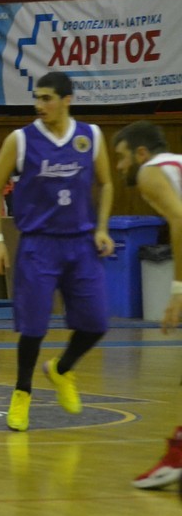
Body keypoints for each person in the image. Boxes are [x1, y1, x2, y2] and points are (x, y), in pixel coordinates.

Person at [0, 71, 114, 432]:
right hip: (39, 243)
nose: (39, 105)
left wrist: (102, 227)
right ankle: (22, 393)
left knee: (96, 323)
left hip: (81, 243)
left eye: (46, 98)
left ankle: (61, 369)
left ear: (66, 100)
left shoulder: (91, 136)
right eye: (36, 98)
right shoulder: (21, 140)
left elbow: (106, 183)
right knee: (33, 328)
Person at [112, 120, 182, 490]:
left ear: (141, 153)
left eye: (122, 157)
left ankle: (178, 455)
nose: (119, 166)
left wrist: (178, 290)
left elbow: (180, 220)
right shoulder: (175, 165)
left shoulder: (150, 173)